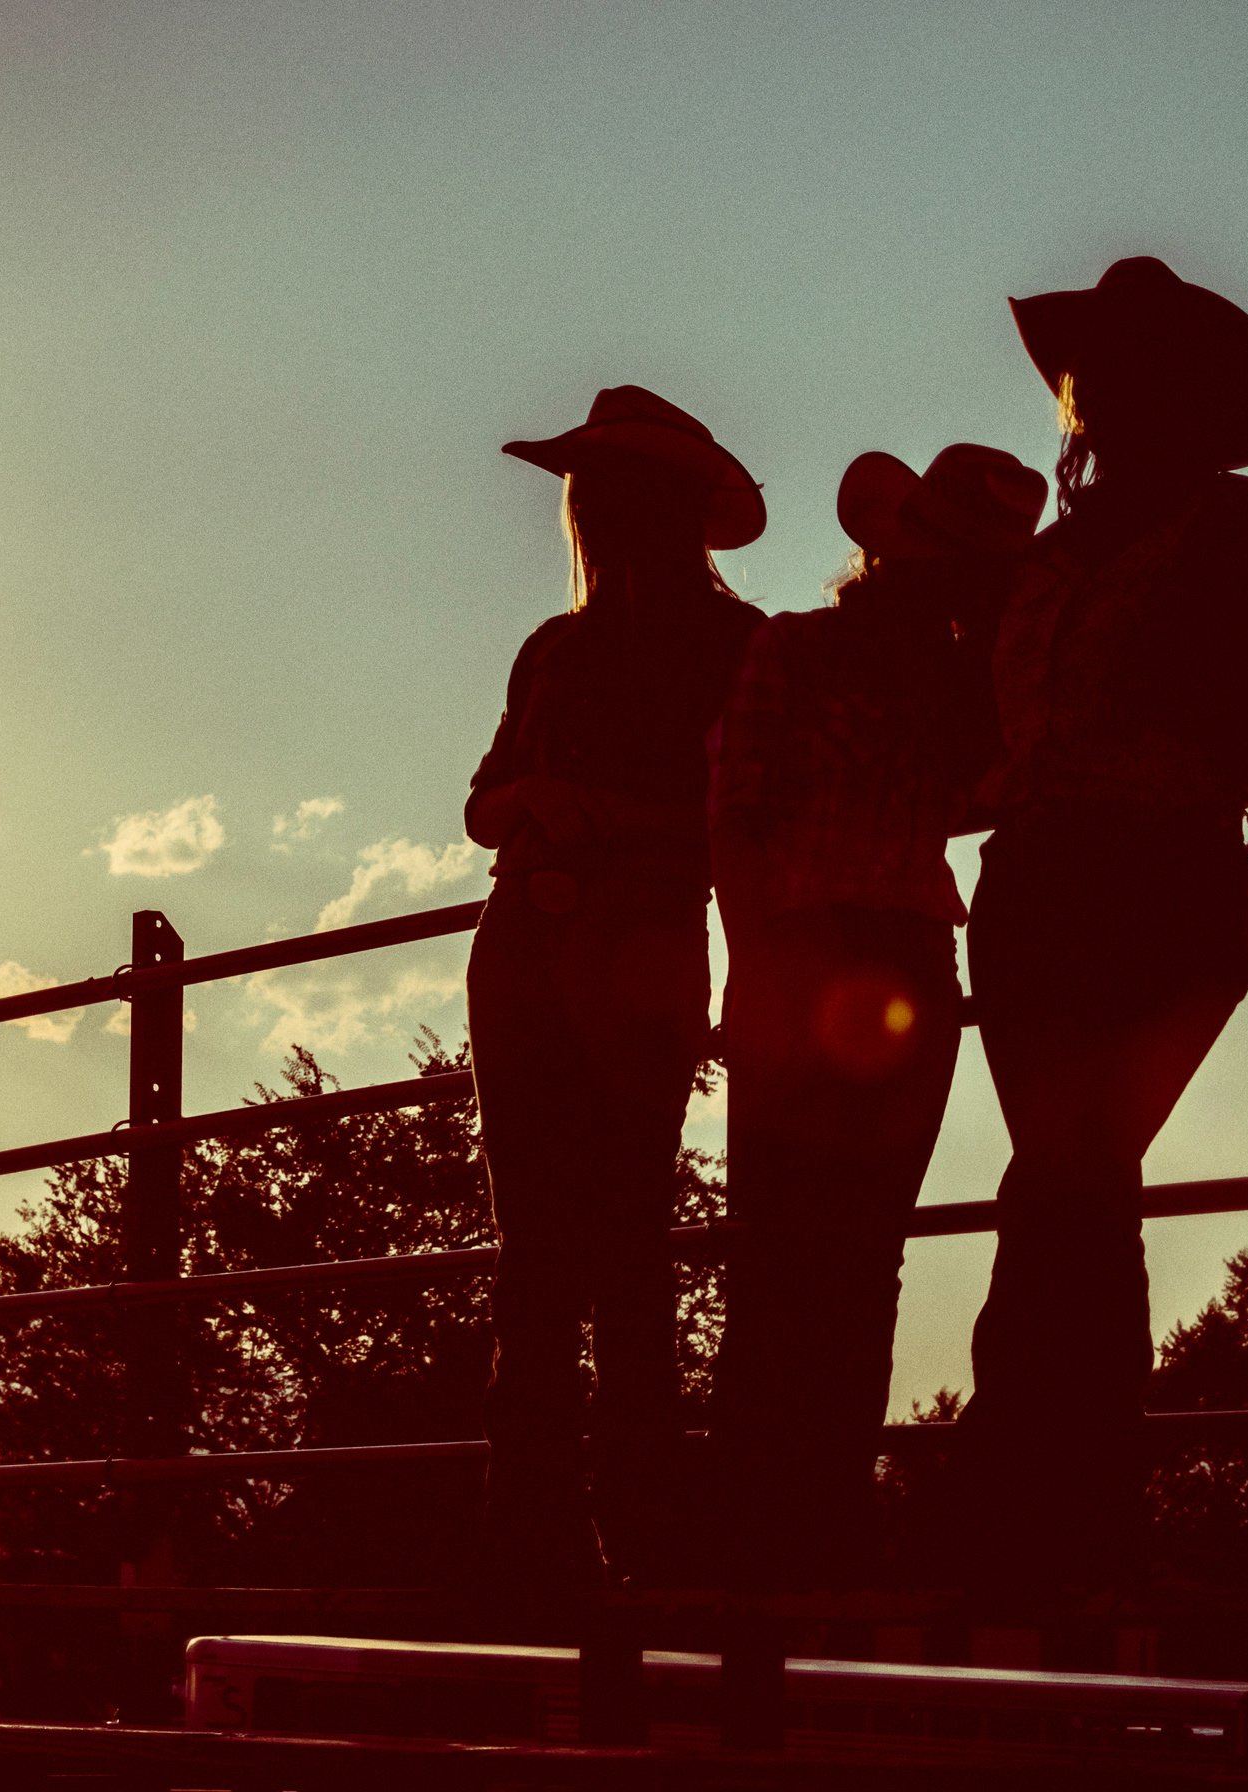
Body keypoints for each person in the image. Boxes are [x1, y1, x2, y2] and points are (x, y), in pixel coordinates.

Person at [960, 255, 1248, 1588]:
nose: (1097, 399)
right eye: (1097, 375)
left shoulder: (1244, 538)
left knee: (1069, 1174)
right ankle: (1060, 1499)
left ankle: (1035, 1493)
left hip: (1155, 878)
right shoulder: (1044, 564)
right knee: (1070, 1180)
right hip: (1035, 888)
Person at [710, 444, 1043, 1592]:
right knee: (844, 1257)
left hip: (842, 953)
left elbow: (738, 815)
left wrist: (756, 964)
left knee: (807, 1254)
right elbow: (739, 814)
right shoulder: (862, 664)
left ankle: (776, 1529)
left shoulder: (834, 657)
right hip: (875, 959)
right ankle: (802, 1526)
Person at [465, 384, 764, 1592]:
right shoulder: (558, 646)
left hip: (624, 936)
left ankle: (602, 1529)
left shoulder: (734, 647)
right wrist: (533, 807)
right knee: (548, 1246)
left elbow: (735, 825)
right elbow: (482, 801)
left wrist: (580, 813)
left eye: (599, 487)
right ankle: (559, 1528)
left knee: (610, 1244)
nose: (585, 507)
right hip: (540, 941)